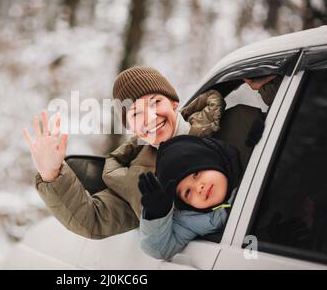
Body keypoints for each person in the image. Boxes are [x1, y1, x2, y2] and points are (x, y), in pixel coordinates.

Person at [23, 66, 281, 239]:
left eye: (155, 102)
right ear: (130, 127)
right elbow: (93, 220)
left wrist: (273, 87)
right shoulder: (135, 177)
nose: (149, 117)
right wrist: (52, 173)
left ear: (174, 103)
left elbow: (302, 137)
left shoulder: (237, 122)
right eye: (135, 113)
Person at [138, 135, 243, 260]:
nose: (199, 188)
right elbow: (160, 250)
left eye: (196, 174)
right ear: (184, 203)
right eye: (187, 192)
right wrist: (157, 215)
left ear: (213, 160)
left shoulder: (253, 165)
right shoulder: (191, 221)